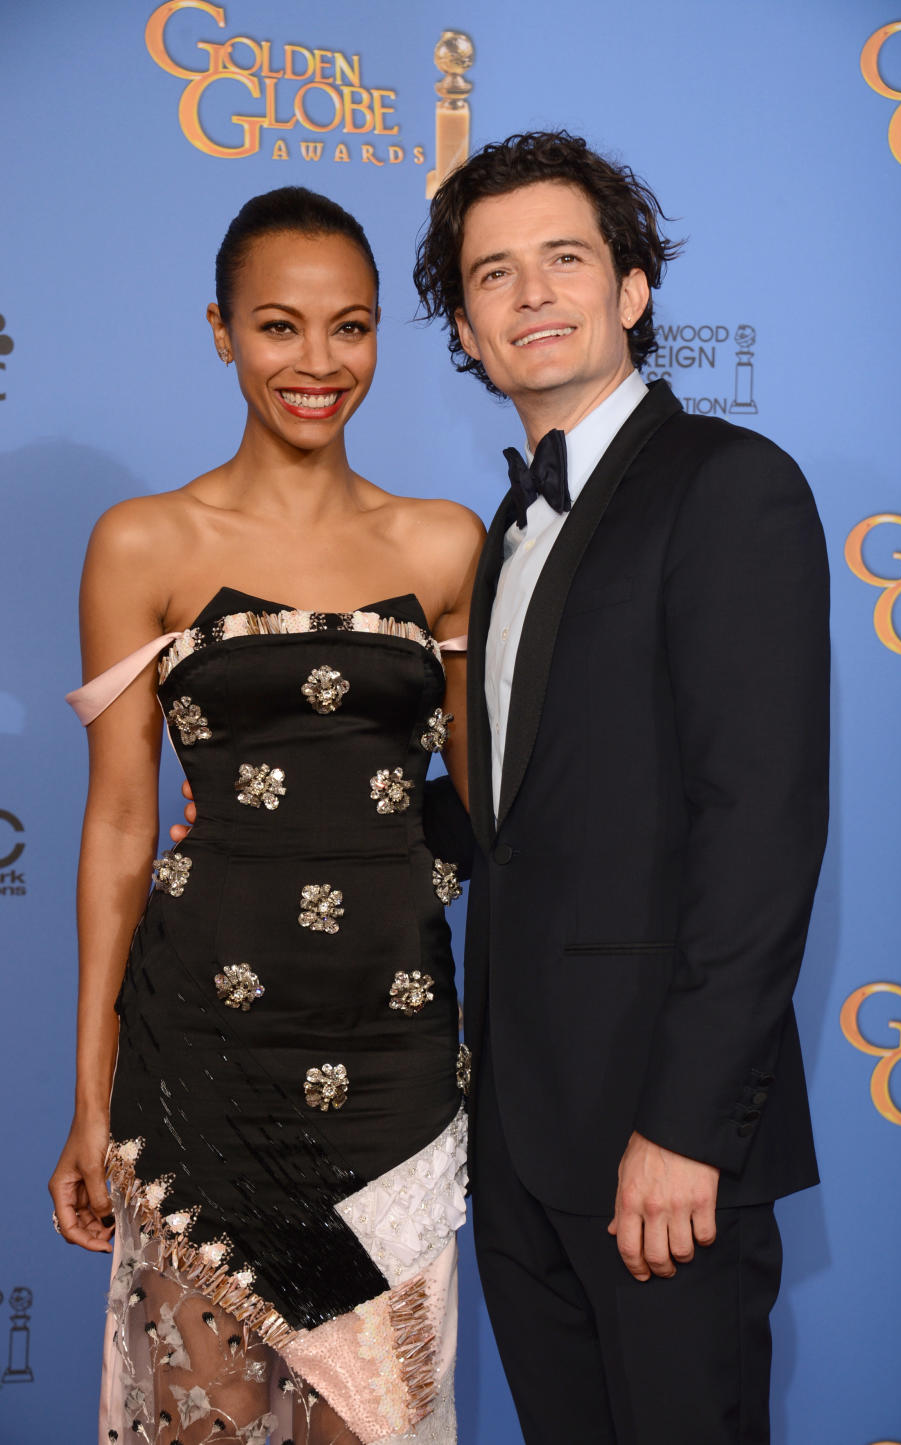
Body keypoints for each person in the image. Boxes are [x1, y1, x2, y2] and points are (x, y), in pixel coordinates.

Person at [410, 131, 830, 1444]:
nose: (531, 294)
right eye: (492, 274)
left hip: (661, 1145)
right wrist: (293, 806)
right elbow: (520, 824)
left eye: (564, 259)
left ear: (632, 289)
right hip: (522, 1139)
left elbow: (759, 830)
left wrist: (689, 1130)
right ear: (467, 328)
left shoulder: (729, 488)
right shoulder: (501, 533)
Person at [49, 186, 483, 1444]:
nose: (318, 363)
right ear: (222, 329)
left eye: (349, 328)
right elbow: (121, 828)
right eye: (280, 327)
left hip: (396, 1062)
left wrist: (399, 870)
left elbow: (496, 799)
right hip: (202, 1062)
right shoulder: (145, 542)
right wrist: (89, 1096)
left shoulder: (448, 543)